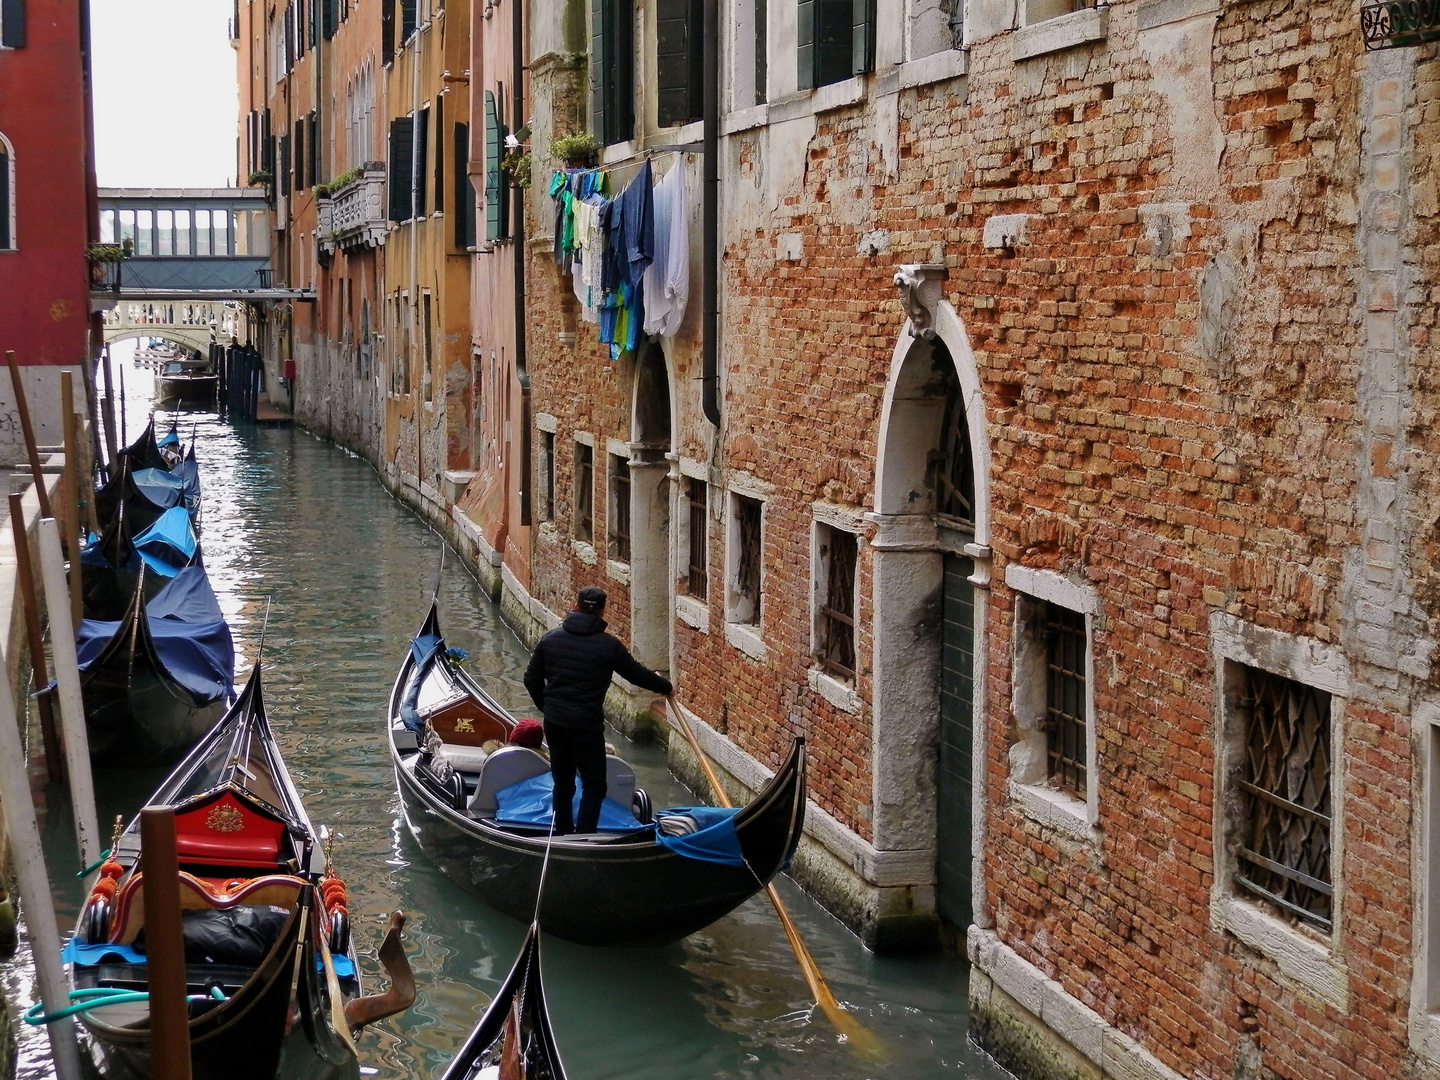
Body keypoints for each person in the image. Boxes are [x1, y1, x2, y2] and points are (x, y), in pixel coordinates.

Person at [523, 586, 673, 834]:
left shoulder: (550, 639)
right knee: (594, 785)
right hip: (586, 725)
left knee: (563, 782)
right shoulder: (608, 646)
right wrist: (665, 686)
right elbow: (635, 674)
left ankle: (561, 833)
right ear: (603, 611)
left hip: (556, 723)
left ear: (577, 605)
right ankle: (583, 837)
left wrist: (547, 707)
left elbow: (531, 680)